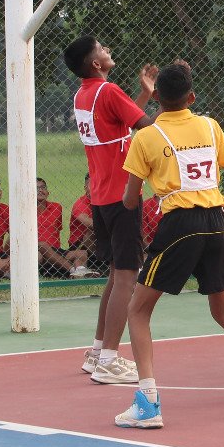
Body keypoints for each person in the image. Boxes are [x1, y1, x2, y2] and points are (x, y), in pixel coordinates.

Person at [114, 63, 224, 429]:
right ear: (192, 97)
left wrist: (142, 192)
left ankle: (147, 402)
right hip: (215, 223)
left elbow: (130, 200)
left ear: (156, 97)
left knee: (138, 310)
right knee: (223, 310)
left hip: (180, 224)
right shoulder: (209, 126)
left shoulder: (146, 136)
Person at [63, 36, 158, 387]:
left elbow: (119, 124)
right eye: (103, 49)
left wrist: (145, 95)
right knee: (126, 279)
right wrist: (172, 105)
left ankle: (97, 351)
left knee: (116, 275)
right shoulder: (109, 90)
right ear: (96, 64)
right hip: (123, 196)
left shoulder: (84, 94)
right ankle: (110, 360)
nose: (108, 50)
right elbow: (147, 129)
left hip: (101, 196)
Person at [37, 177, 95, 278]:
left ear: (48, 192)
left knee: (82, 253)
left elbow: (57, 229)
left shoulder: (56, 207)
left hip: (56, 250)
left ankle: (80, 272)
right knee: (42, 246)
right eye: (36, 188)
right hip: (37, 250)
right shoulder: (25, 211)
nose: (40, 190)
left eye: (43, 187)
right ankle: (72, 270)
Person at [68, 175, 96, 267]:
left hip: (100, 242)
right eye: (92, 184)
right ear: (85, 188)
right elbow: (89, 223)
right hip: (79, 246)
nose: (96, 187)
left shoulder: (105, 202)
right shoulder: (80, 204)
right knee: (92, 232)